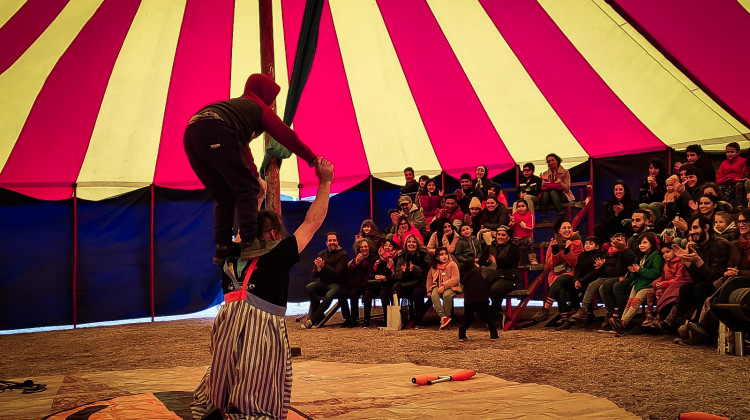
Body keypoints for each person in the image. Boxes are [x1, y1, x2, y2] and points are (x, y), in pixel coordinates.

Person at [190, 158, 333, 420]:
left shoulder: (232, 251)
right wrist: (325, 182)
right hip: (260, 324)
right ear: (273, 234)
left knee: (226, 368)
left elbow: (244, 232)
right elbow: (313, 222)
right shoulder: (278, 252)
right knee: (257, 372)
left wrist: (259, 197)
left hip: (228, 320)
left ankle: (219, 404)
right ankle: (247, 411)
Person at [184, 73, 317, 264]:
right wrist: (311, 158)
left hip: (192, 135)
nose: (271, 105)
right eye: (272, 99)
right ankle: (249, 241)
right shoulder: (257, 106)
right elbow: (285, 134)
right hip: (216, 130)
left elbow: (243, 151)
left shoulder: (236, 109)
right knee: (247, 190)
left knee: (224, 196)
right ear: (265, 94)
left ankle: (223, 247)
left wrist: (255, 175)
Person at [673, 215, 731, 324]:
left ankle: (700, 324)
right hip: (704, 281)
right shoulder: (697, 246)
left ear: (706, 227)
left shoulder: (720, 244)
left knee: (700, 288)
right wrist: (686, 261)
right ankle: (686, 322)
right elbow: (696, 277)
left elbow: (715, 276)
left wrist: (699, 262)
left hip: (721, 282)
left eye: (695, 228)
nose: (692, 232)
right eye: (690, 229)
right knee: (685, 289)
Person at [531, 219, 584, 330]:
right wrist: (555, 252)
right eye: (564, 228)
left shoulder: (577, 242)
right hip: (557, 273)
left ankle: (545, 309)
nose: (567, 230)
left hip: (572, 273)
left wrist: (567, 251)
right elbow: (550, 264)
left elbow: (576, 263)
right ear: (559, 231)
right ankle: (565, 321)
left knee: (561, 280)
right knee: (560, 288)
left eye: (569, 227)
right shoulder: (554, 242)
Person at [609, 232, 664, 334]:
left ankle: (623, 323)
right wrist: (633, 271)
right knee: (629, 303)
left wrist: (639, 270)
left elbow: (655, 273)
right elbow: (637, 273)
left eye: (644, 243)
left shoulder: (657, 256)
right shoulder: (642, 257)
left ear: (652, 243)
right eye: (640, 243)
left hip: (648, 284)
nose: (641, 245)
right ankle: (621, 321)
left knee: (635, 303)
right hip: (638, 283)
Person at [302, 232, 349, 328]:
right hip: (324, 283)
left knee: (328, 296)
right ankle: (319, 316)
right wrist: (319, 269)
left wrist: (324, 266)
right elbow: (314, 275)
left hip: (337, 284)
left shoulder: (343, 255)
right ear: (326, 243)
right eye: (330, 240)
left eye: (334, 240)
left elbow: (338, 273)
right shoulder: (321, 254)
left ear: (337, 242)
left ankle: (312, 320)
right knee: (310, 287)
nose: (332, 242)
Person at [642, 241, 689, 327]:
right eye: (663, 253)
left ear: (674, 251)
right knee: (650, 292)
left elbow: (679, 279)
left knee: (659, 292)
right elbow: (662, 276)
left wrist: (664, 284)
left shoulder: (680, 263)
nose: (665, 255)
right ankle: (650, 315)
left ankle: (660, 316)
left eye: (668, 252)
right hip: (666, 285)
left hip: (674, 287)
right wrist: (656, 282)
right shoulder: (666, 264)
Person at [478, 225, 521, 318]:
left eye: (503, 235)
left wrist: (495, 261)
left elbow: (510, 262)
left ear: (508, 237)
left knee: (495, 289)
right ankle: (484, 311)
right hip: (491, 275)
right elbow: (482, 261)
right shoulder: (489, 247)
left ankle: (495, 312)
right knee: (478, 287)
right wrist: (489, 262)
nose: (500, 237)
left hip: (508, 276)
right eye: (499, 234)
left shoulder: (513, 248)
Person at [393, 234, 431, 328]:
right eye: (409, 242)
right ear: (406, 244)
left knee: (417, 293)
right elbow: (397, 275)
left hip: (420, 282)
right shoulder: (402, 255)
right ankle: (396, 320)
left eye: (413, 242)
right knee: (395, 289)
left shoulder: (424, 254)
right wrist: (404, 272)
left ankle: (418, 321)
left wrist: (414, 269)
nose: (411, 244)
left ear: (417, 244)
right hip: (405, 282)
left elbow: (427, 272)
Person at [458, 259, 499, 341]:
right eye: (475, 263)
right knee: (489, 318)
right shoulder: (481, 271)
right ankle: (494, 335)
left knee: (467, 319)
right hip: (481, 299)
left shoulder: (466, 276)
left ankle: (461, 335)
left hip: (469, 301)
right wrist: (493, 261)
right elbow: (492, 270)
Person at [363, 239, 398, 328]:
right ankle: (366, 321)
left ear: (393, 248)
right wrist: (375, 277)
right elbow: (369, 273)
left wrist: (386, 278)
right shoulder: (375, 258)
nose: (387, 247)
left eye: (390, 246)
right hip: (375, 284)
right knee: (367, 294)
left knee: (384, 293)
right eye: (385, 245)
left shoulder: (395, 258)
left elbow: (396, 276)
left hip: (388, 284)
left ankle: (387, 320)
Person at [344, 238, 377, 327]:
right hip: (356, 282)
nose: (364, 248)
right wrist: (356, 262)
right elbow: (349, 271)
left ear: (369, 247)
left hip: (367, 283)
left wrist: (360, 263)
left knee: (357, 293)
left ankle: (360, 319)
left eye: (365, 246)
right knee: (347, 293)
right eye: (361, 247)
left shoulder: (373, 258)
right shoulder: (356, 258)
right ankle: (350, 318)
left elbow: (369, 273)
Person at [427, 247, 462, 330]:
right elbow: (429, 279)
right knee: (434, 295)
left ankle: (447, 318)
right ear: (437, 257)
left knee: (447, 295)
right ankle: (443, 317)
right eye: (441, 255)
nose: (444, 256)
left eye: (446, 254)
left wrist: (444, 286)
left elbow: (456, 279)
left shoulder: (452, 264)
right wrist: (428, 290)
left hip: (451, 286)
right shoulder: (434, 266)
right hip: (437, 285)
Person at [539, 153, 575, 223]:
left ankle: (560, 215)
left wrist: (560, 182)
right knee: (546, 193)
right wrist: (546, 180)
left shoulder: (565, 172)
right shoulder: (545, 173)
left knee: (553, 192)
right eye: (548, 161)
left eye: (552, 160)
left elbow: (567, 188)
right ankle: (543, 217)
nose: (551, 163)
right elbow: (543, 188)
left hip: (563, 195)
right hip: (549, 197)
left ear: (557, 161)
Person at [510, 199, 537, 265]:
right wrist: (512, 223)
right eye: (519, 207)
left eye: (523, 206)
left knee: (530, 241)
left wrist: (523, 225)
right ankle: (515, 261)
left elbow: (531, 228)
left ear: (526, 207)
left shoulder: (530, 215)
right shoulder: (514, 215)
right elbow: (511, 227)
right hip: (517, 237)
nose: (521, 208)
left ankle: (533, 260)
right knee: (512, 244)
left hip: (526, 237)